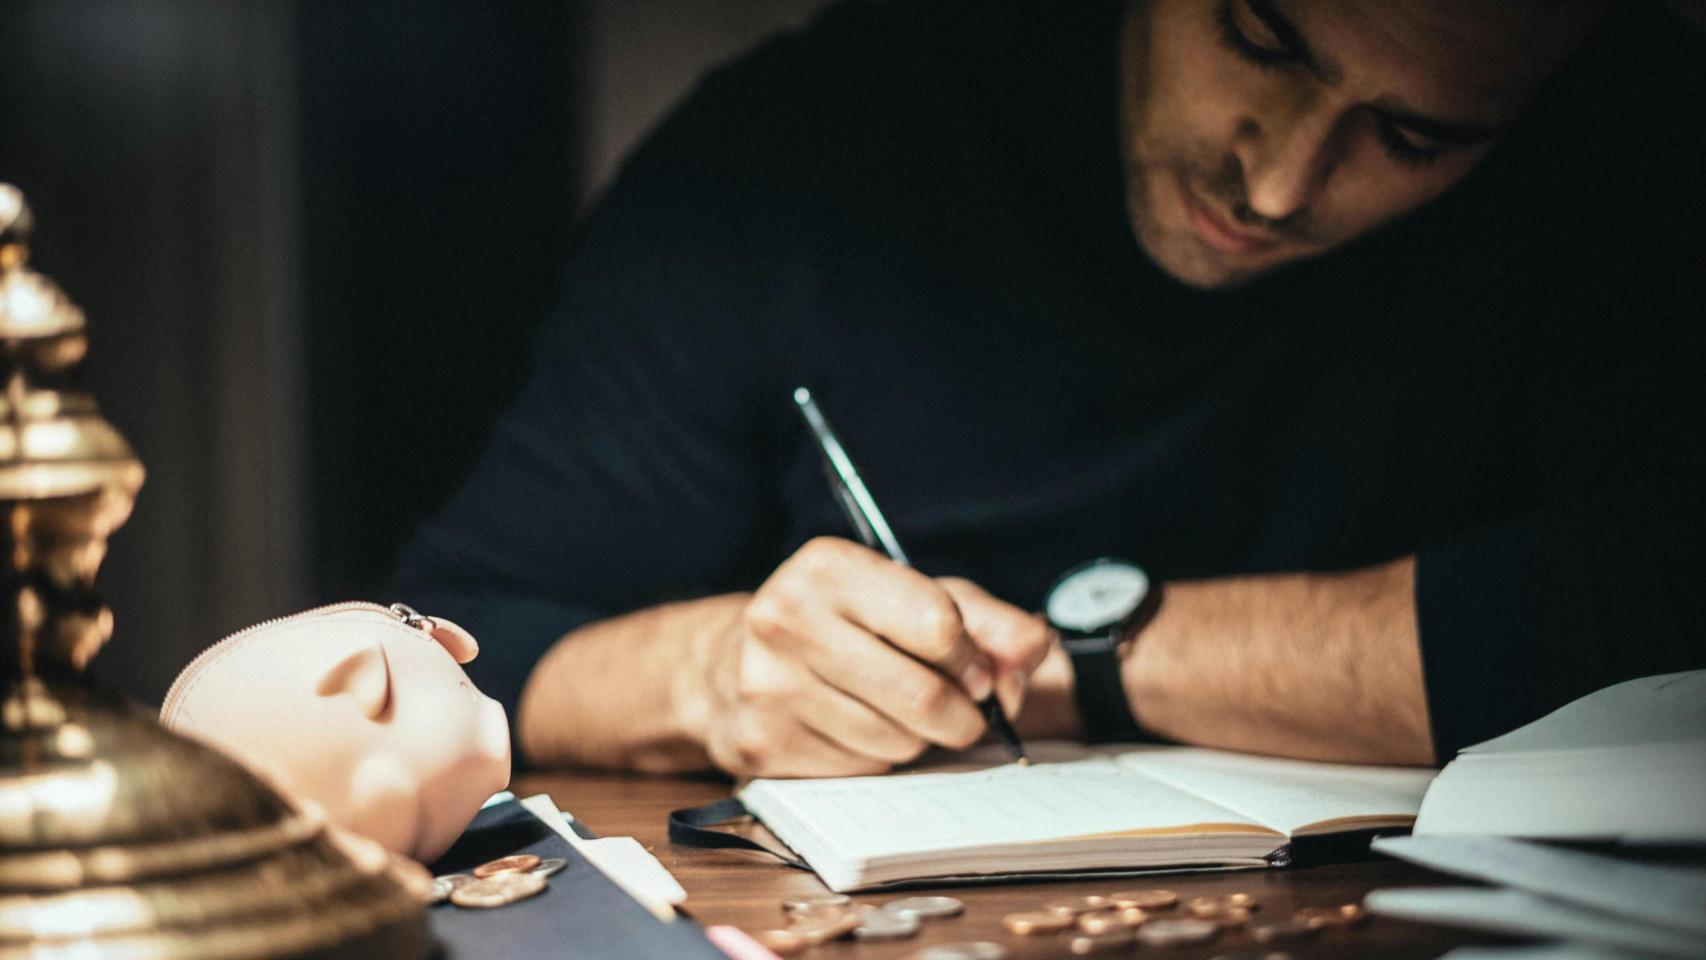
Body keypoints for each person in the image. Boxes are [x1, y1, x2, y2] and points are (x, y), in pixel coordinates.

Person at [396, 0, 1705, 778]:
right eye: (1258, 38)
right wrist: (707, 671)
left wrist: (1068, 665)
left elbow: (1658, 598)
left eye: (1413, 137)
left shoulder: (1634, 163)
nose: (1280, 183)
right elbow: (459, 636)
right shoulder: (809, 154)